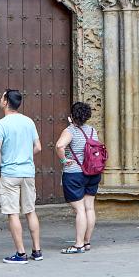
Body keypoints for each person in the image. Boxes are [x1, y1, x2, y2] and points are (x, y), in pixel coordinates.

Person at [0, 89, 43, 263]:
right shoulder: (29, 122)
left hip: (10, 173)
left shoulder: (1, 124)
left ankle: (21, 254)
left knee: (13, 213)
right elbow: (38, 147)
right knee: (30, 211)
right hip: (28, 172)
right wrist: (25, 157)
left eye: (1, 96)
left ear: (6, 101)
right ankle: (37, 250)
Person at [55, 101, 102, 254]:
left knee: (80, 210)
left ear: (72, 116)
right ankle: (87, 242)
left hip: (75, 173)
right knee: (89, 208)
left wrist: (63, 160)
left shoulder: (71, 131)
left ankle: (78, 244)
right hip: (93, 173)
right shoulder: (92, 130)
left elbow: (59, 146)